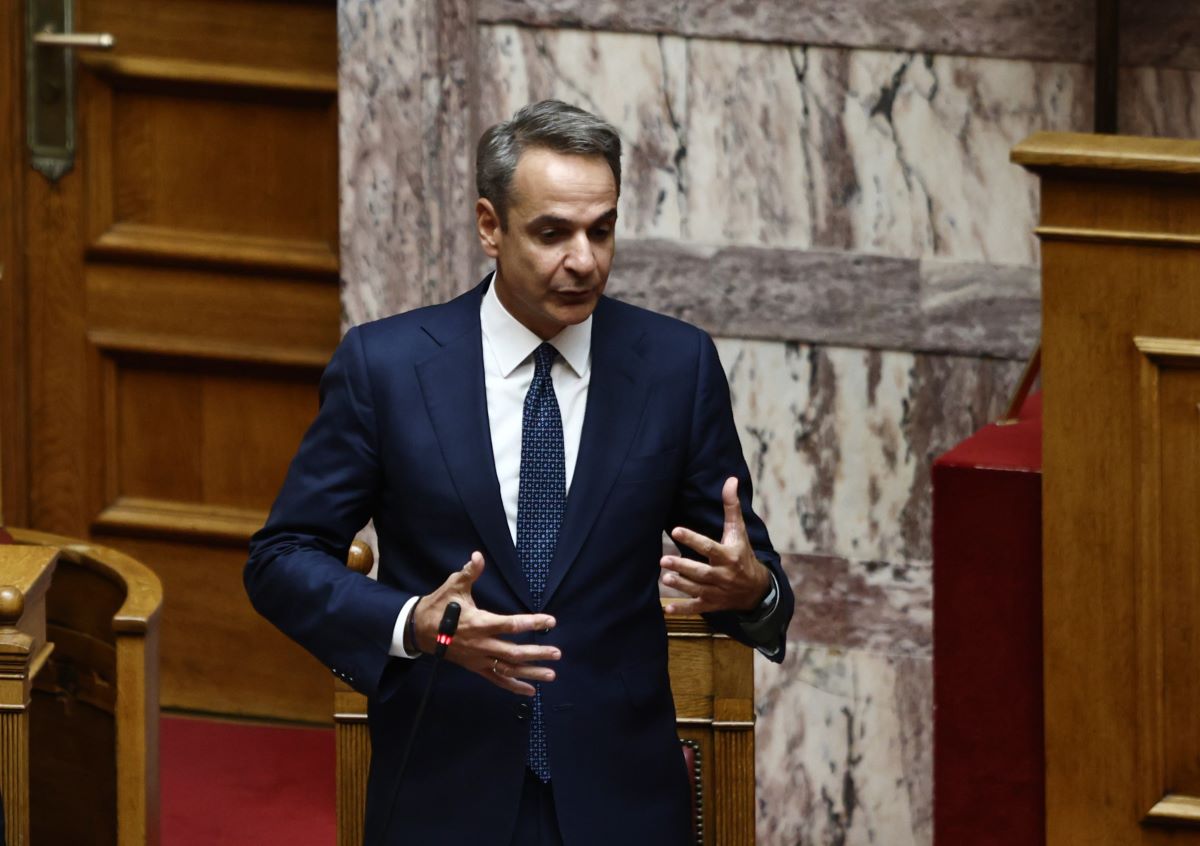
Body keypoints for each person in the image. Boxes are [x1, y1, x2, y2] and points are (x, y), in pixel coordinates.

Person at [245, 99, 794, 845]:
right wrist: (417, 624)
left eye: (602, 229)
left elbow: (745, 574)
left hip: (623, 804)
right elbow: (280, 559)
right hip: (444, 793)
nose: (585, 260)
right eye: (552, 233)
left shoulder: (674, 366)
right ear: (490, 226)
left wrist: (753, 588)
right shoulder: (388, 368)